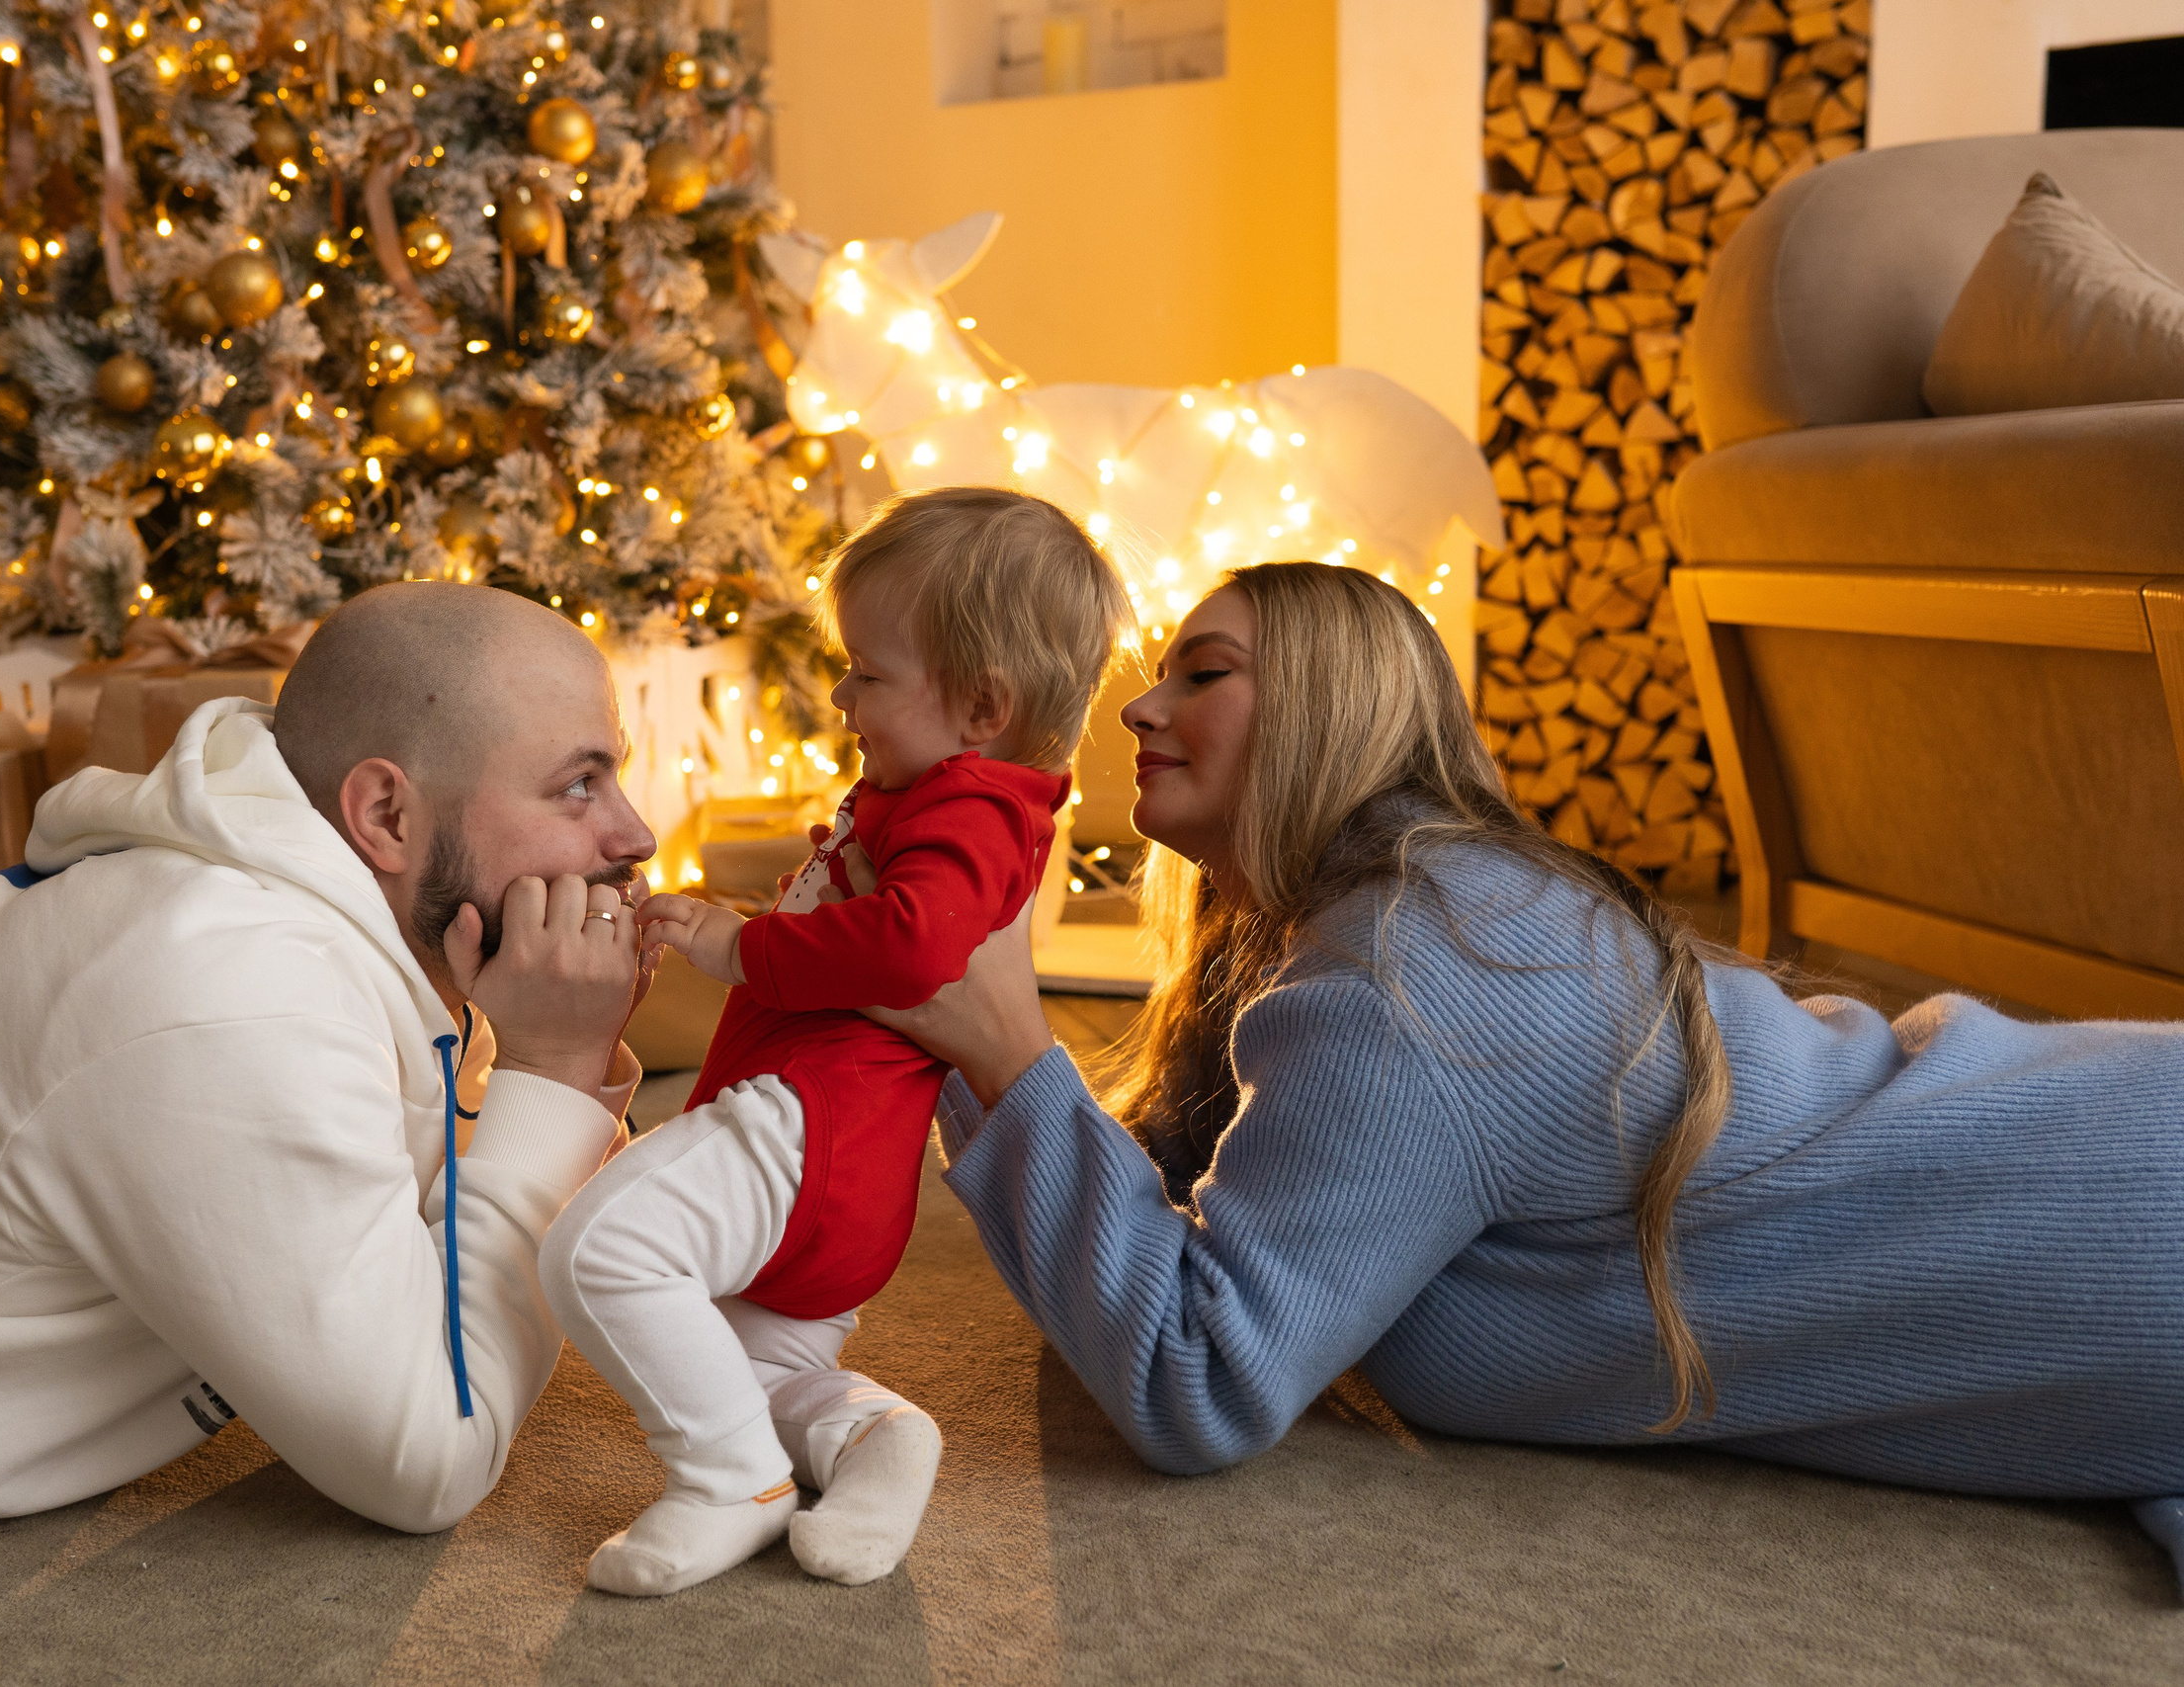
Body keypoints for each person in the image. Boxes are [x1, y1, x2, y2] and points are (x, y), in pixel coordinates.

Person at [870, 558, 2184, 1593]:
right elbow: (1146, 1245)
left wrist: (1003, 1046)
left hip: (2117, 1196)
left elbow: (1194, 1376)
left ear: (1333, 701)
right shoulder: (1404, 926)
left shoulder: (1412, 962)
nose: (1141, 707)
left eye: (1202, 672)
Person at [0, 583, 653, 1586]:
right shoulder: (233, 999)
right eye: (578, 785)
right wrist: (553, 1069)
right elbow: (430, 1454)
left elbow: (450, 1202)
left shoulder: (272, 883)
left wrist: (533, 1063)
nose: (635, 834)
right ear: (385, 812)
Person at [540, 488, 1134, 1596]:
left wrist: (743, 947)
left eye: (868, 671)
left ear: (980, 705)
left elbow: (911, 948)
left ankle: (731, 1482)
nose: (842, 692)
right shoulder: (941, 794)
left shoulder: (976, 809)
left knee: (598, 1251)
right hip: (838, 1178)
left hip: (807, 1133)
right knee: (753, 1368)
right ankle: (865, 1437)